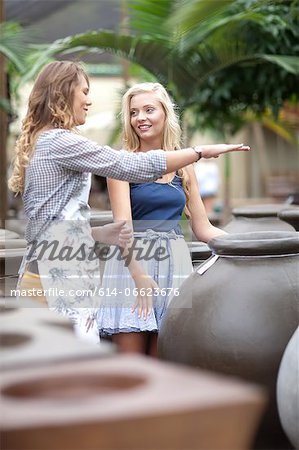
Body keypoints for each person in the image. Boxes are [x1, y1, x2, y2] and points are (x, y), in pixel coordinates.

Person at [8, 61, 249, 342]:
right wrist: (199, 151)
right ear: (64, 92)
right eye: (84, 91)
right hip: (58, 275)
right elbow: (126, 164)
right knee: (75, 366)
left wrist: (97, 233)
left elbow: (53, 223)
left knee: (62, 368)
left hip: (51, 269)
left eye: (149, 110)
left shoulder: (49, 140)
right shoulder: (61, 142)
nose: (89, 100)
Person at [96, 82, 250, 354]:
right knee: (132, 365)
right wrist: (138, 276)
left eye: (148, 110)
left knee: (165, 359)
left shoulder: (184, 166)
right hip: (133, 268)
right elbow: (123, 229)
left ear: (166, 114)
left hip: (173, 266)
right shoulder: (121, 163)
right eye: (133, 112)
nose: (140, 118)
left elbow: (203, 228)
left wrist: (245, 244)